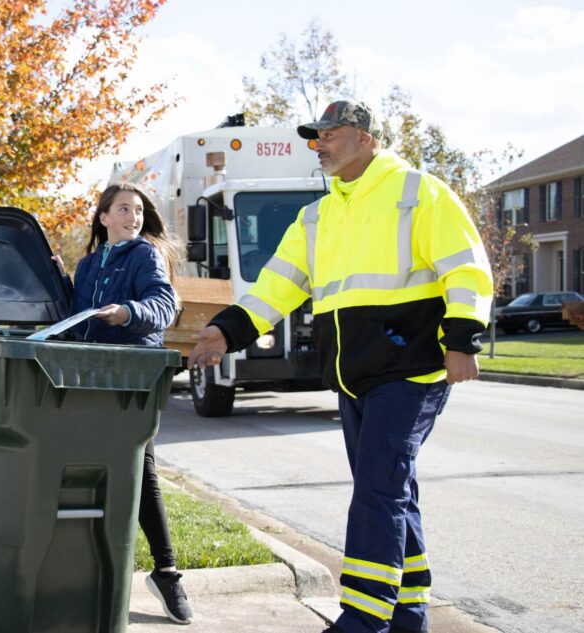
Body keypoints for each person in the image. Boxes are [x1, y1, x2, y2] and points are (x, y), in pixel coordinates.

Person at [188, 100, 493, 633]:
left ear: (364, 139)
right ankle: (406, 611)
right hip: (354, 376)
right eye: (316, 137)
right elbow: (277, 286)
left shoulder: (417, 193)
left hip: (411, 371)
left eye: (329, 134)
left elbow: (464, 265)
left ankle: (362, 618)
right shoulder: (317, 215)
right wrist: (226, 330)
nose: (319, 144)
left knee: (378, 488)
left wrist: (463, 339)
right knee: (391, 488)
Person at [58, 182, 194, 625]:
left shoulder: (144, 256)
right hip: (90, 378)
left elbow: (163, 304)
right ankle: (91, 568)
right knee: (91, 472)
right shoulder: (89, 264)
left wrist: (128, 313)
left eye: (137, 210)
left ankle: (167, 571)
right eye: (122, 209)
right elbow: (77, 324)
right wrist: (60, 280)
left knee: (141, 472)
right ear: (103, 218)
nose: (132, 217)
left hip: (134, 378)